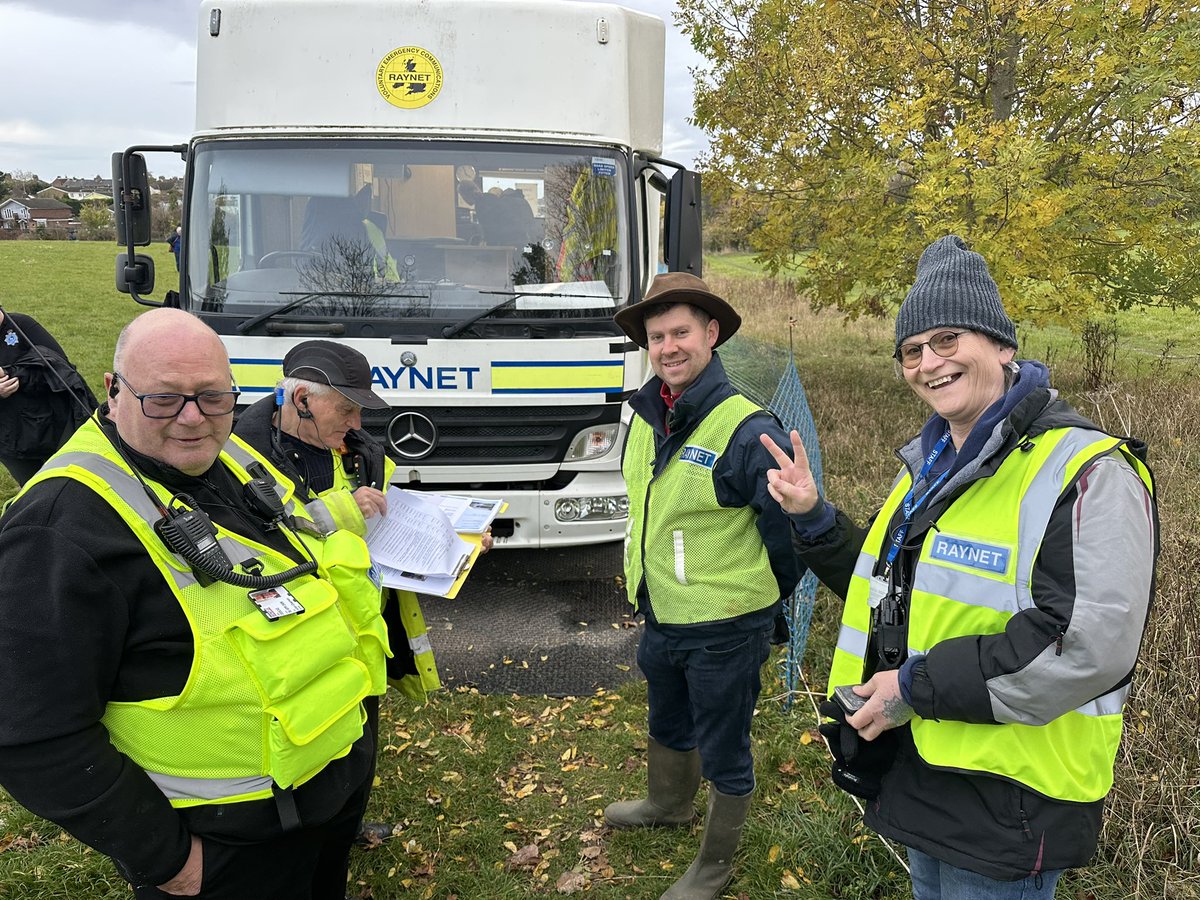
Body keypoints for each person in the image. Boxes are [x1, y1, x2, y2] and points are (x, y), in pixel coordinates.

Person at [762, 235, 1159, 899]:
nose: (929, 363)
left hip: (1012, 798)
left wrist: (912, 688)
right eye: (912, 350)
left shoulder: (1087, 471)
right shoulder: (931, 465)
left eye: (947, 339)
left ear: (1002, 345)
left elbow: (1087, 646)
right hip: (924, 770)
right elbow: (895, 591)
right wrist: (815, 519)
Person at [0, 309, 390, 898]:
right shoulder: (58, 531)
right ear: (113, 391)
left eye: (213, 397)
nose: (193, 418)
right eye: (164, 399)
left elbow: (295, 537)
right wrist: (170, 861)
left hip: (324, 800)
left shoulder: (223, 453)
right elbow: (30, 734)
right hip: (231, 848)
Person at [233, 340, 491, 843]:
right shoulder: (238, 454)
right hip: (298, 643)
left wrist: (459, 541)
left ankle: (347, 827)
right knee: (306, 746)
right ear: (302, 399)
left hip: (359, 636)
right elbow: (252, 536)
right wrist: (343, 511)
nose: (356, 423)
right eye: (346, 409)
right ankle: (305, 841)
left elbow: (397, 513)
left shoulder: (359, 450)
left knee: (359, 746)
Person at [605, 273, 805, 900]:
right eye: (656, 336)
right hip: (662, 612)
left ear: (711, 334)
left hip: (726, 626)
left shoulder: (747, 430)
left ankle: (713, 866)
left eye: (681, 332)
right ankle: (669, 804)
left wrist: (752, 606)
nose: (668, 347)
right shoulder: (646, 415)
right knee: (667, 716)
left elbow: (789, 540)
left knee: (724, 746)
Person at [0, 305, 97, 485]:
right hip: (10, 438)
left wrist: (13, 374)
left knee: (71, 482)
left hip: (51, 423)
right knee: (33, 487)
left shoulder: (22, 325)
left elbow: (62, 369)